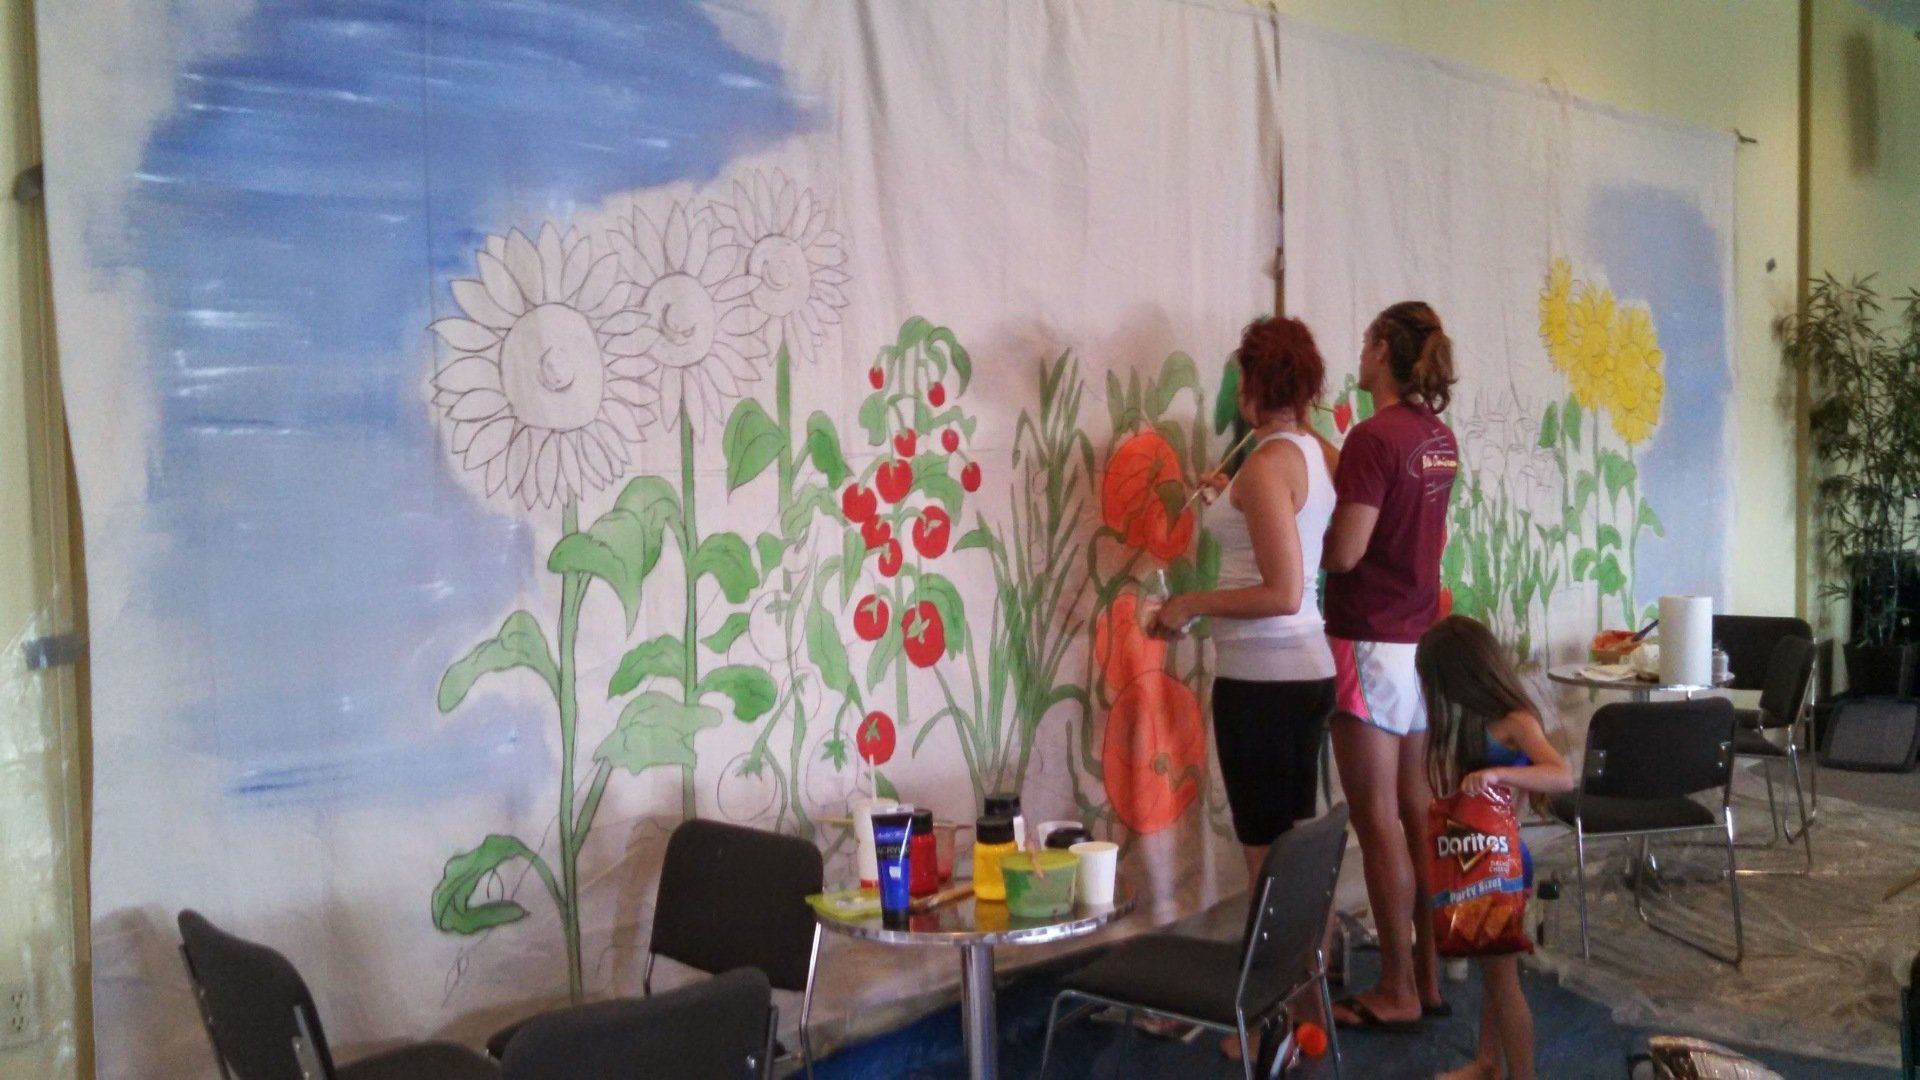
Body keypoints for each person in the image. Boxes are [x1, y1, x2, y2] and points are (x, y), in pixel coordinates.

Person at [1151, 314, 1339, 1066]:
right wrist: (1230, 494)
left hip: (1263, 679)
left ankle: (1264, 1027)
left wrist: (1188, 607)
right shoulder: (1310, 452)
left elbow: (1284, 590)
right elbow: (1288, 525)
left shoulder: (1266, 467)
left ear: (1255, 384)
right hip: (1304, 674)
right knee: (1296, 850)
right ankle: (1301, 1010)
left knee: (1268, 863)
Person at [1321, 300, 1460, 1032]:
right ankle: (1430, 980)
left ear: (1382, 350)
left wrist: (1314, 543)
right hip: (1417, 641)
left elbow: (1347, 550)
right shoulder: (1437, 438)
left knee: (1376, 822)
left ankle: (1397, 989)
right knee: (1412, 815)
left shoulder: (1374, 437)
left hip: (1367, 637)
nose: (1360, 352)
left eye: (1366, 342)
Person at [1415, 615, 1573, 1080]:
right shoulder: (1469, 723)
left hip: (1503, 868)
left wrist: (1502, 774)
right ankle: (1488, 1063)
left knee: (1504, 983)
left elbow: (1561, 774)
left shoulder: (1514, 723)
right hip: (1476, 864)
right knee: (1493, 973)